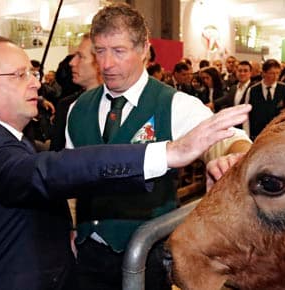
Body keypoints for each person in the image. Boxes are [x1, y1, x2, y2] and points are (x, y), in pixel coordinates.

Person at [0, 36, 251, 290]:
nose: (35, 84)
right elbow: (52, 171)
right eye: (19, 76)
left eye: (32, 73)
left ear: (143, 51)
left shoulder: (6, 138)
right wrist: (167, 153)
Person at [66, 3, 252, 290]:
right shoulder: (79, 109)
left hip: (148, 257)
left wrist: (233, 156)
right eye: (100, 51)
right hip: (89, 254)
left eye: (118, 51)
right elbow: (67, 179)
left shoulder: (174, 104)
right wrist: (72, 229)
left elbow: (226, 138)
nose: (106, 64)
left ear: (144, 50)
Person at [50, 33, 101, 152]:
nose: (72, 62)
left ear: (99, 61)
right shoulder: (66, 106)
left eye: (81, 56)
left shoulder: (119, 104)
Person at [243, 58, 285, 140]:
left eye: (277, 73)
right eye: (272, 73)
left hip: (277, 135)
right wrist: (246, 135)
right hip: (257, 134)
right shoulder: (252, 90)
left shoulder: (284, 88)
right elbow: (246, 115)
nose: (275, 77)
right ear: (263, 73)